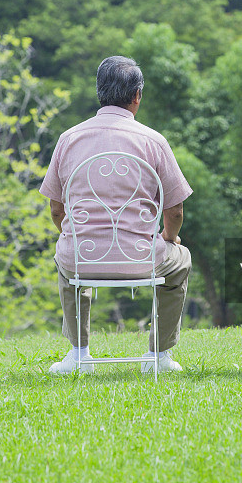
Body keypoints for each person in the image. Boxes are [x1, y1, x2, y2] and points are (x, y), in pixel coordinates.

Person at [40, 55, 192, 375]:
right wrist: (169, 238)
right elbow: (175, 209)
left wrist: (71, 235)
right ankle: (158, 357)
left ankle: (78, 354)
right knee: (182, 259)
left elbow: (56, 207)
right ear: (137, 96)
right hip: (141, 258)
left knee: (64, 254)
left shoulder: (69, 138)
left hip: (83, 256)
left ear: (99, 91)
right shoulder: (154, 141)